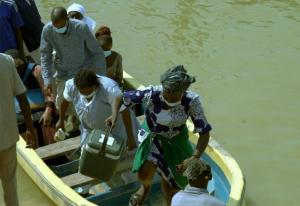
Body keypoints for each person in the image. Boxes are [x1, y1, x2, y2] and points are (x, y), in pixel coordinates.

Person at [106, 65, 212, 205]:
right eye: (168, 92)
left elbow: (204, 132)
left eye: (176, 94)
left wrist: (194, 157)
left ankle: (170, 201)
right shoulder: (151, 93)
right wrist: (114, 115)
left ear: (183, 91)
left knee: (173, 181)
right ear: (163, 87)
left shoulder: (192, 101)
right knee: (144, 172)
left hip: (176, 140)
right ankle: (145, 188)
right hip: (152, 136)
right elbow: (121, 97)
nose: (170, 97)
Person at [40, 7, 106, 130]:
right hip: (63, 72)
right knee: (61, 104)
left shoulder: (81, 28)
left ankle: (85, 127)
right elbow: (45, 56)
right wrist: (47, 79)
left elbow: (97, 52)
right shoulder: (47, 31)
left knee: (87, 106)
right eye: (56, 27)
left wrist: (101, 76)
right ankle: (69, 123)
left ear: (67, 19)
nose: (58, 30)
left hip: (83, 71)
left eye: (61, 27)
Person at [56, 69, 139, 151]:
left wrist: (131, 139)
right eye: (82, 92)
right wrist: (61, 120)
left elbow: (124, 110)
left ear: (96, 85)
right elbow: (64, 102)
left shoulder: (109, 88)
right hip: (89, 131)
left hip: (117, 130)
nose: (86, 94)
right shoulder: (71, 86)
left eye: (89, 91)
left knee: (121, 155)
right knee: (89, 157)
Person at [0, 53, 37, 206]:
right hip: (7, 136)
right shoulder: (6, 61)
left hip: (8, 136)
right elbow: (22, 96)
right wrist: (30, 127)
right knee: (10, 184)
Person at [6, 49, 56, 145]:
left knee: (46, 122)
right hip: (21, 114)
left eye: (19, 64)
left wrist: (48, 111)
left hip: (42, 110)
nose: (17, 68)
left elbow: (49, 94)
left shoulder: (36, 70)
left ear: (23, 60)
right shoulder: (7, 75)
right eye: (13, 67)